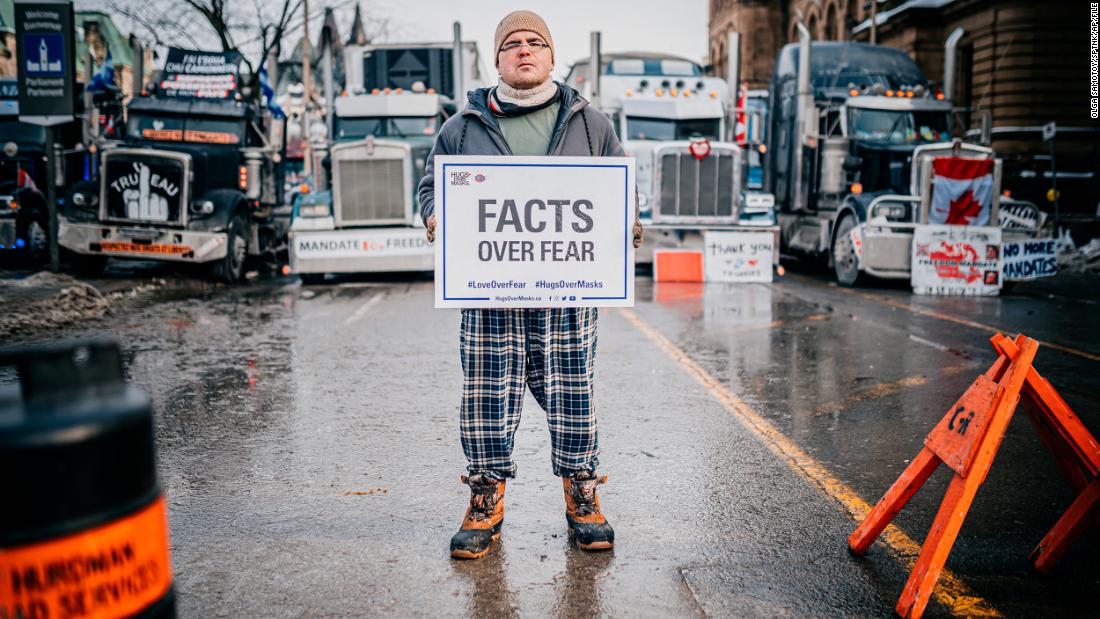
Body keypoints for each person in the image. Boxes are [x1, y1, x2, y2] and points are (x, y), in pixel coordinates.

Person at [418, 10, 642, 560]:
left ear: (550, 55)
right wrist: (434, 217)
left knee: (573, 393)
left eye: (535, 43)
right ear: (496, 59)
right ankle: (485, 498)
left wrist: (628, 221)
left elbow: (620, 188)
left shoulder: (593, 124)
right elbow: (431, 185)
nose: (524, 51)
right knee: (486, 395)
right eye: (512, 44)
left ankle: (581, 495)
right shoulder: (461, 126)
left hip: (567, 296)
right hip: (489, 293)